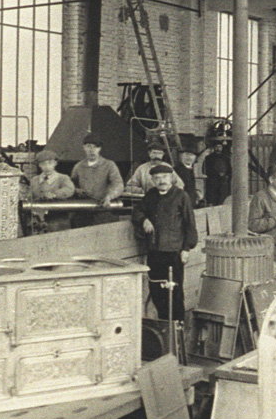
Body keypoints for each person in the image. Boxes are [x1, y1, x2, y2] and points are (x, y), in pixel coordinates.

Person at [131, 163, 197, 322]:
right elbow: (137, 211)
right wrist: (144, 219)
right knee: (157, 291)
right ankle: (163, 326)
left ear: (172, 178)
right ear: (153, 180)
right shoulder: (150, 195)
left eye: (165, 177)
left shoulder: (181, 196)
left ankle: (177, 327)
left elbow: (190, 224)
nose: (162, 181)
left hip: (174, 253)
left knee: (174, 292)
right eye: (157, 178)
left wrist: (187, 249)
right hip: (154, 252)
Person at [70, 134, 125, 226]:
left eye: (95, 147)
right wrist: (76, 190)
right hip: (84, 211)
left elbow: (118, 184)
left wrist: (109, 196)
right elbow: (71, 185)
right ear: (84, 147)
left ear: (100, 149)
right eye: (89, 147)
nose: (92, 150)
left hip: (103, 210)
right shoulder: (78, 167)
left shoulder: (109, 165)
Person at [30, 149, 75, 232]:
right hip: (39, 219)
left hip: (58, 218)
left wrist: (54, 194)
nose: (47, 166)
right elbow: (30, 196)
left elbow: (69, 189)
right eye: (43, 164)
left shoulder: (63, 178)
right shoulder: (34, 180)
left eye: (50, 163)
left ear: (55, 163)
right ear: (39, 165)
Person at [202, 140, 231, 206]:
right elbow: (204, 170)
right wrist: (216, 174)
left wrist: (225, 176)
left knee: (223, 201)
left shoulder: (226, 158)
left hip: (223, 184)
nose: (218, 149)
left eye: (220, 147)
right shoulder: (208, 158)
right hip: (213, 183)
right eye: (216, 147)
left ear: (222, 148)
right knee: (212, 201)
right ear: (214, 148)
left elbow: (230, 171)